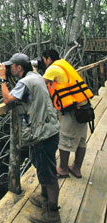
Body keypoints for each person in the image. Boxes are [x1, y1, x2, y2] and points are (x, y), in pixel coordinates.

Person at [0, 53, 61, 223]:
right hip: (48, 130)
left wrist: (2, 79)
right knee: (40, 164)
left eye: (12, 67)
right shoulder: (35, 76)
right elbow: (23, 95)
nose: (10, 69)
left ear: (20, 67)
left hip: (43, 134)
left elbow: (8, 100)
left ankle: (53, 213)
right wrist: (9, 79)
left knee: (48, 172)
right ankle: (45, 198)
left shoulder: (26, 82)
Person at [42, 49, 91, 179]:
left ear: (48, 59)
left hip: (74, 111)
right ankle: (76, 168)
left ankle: (63, 169)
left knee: (65, 139)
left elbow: (40, 85)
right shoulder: (63, 63)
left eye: (44, 60)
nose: (44, 63)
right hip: (84, 107)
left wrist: (35, 72)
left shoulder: (52, 69)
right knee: (81, 140)